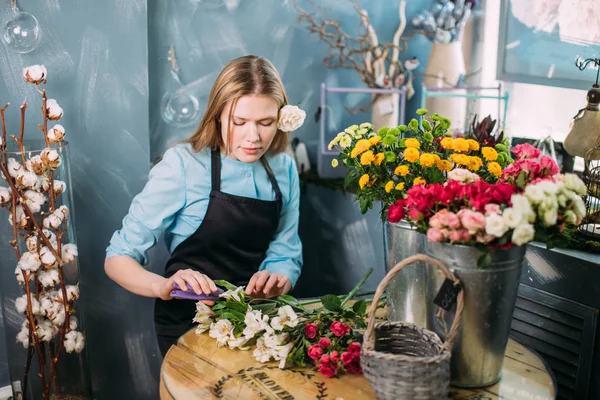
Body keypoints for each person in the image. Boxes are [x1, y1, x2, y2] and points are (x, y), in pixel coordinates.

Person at [104, 55, 305, 356]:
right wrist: (164, 286)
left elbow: (285, 251)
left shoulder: (284, 169)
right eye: (240, 122)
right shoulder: (183, 165)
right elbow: (117, 258)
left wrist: (280, 279)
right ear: (219, 115)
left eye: (266, 123)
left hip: (261, 322)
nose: (254, 137)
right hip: (189, 324)